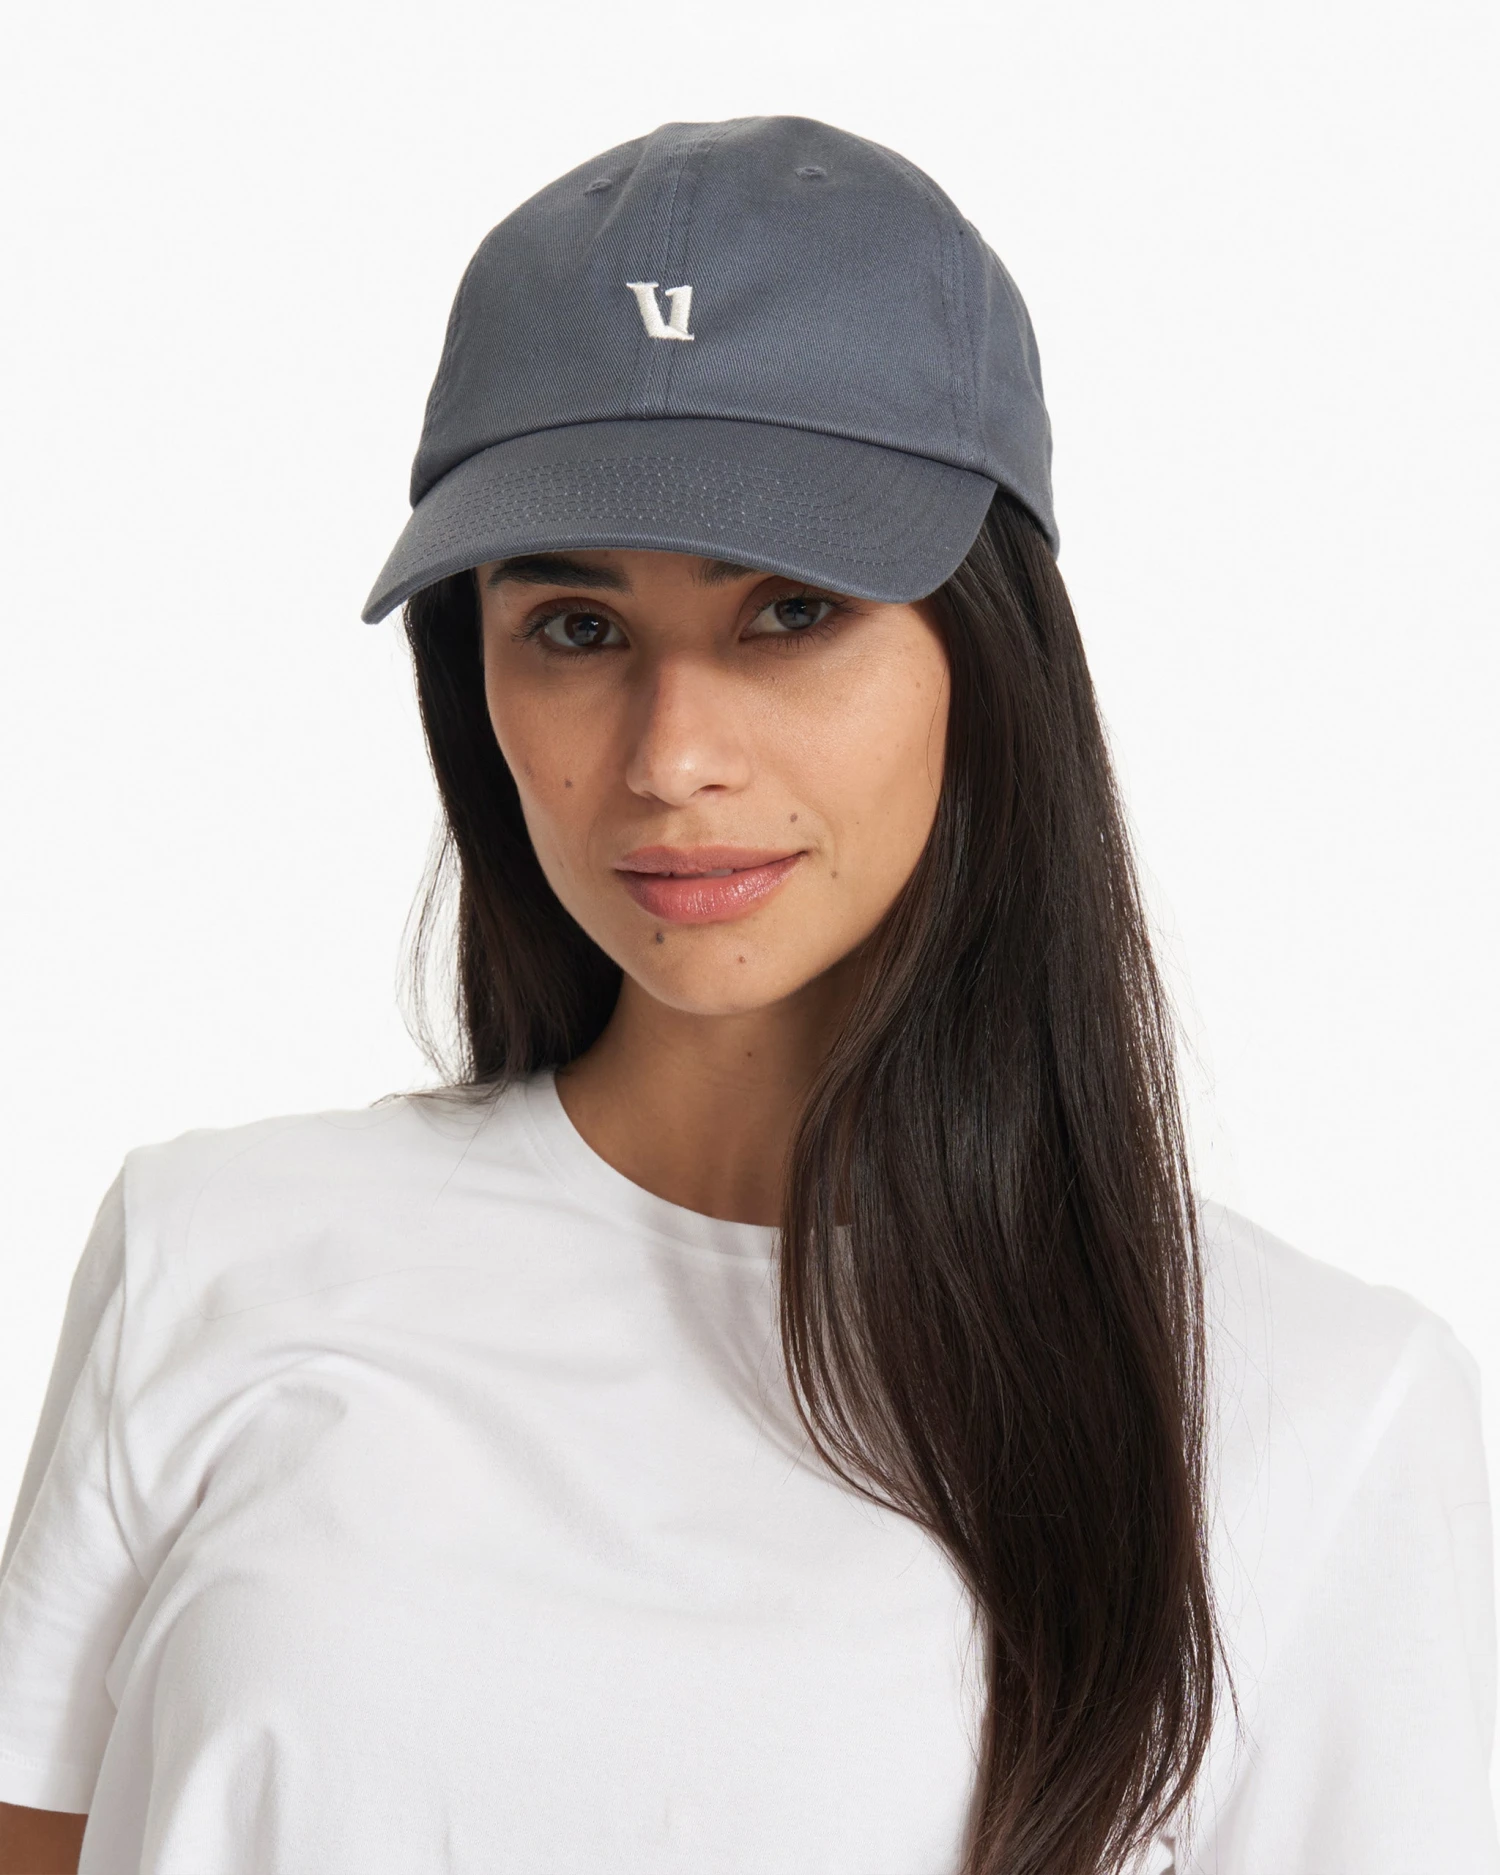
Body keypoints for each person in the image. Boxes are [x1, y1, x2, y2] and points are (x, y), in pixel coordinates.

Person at [0, 114, 1494, 1875]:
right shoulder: (211, 1252)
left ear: (987, 652)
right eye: (575, 626)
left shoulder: (1313, 1412)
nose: (672, 756)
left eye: (791, 611)